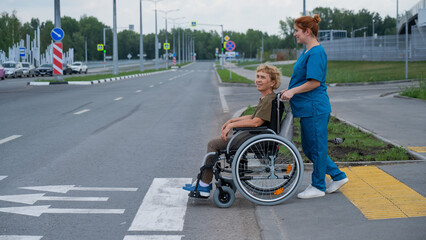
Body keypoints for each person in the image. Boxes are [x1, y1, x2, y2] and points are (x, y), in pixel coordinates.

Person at [182, 64, 282, 197]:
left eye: (263, 77)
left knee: (213, 144)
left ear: (272, 82)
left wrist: (232, 126)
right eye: (257, 76)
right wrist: (231, 121)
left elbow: (256, 122)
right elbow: (253, 117)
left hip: (255, 139)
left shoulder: (269, 100)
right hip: (255, 136)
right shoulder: (267, 98)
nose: (258, 80)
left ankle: (204, 186)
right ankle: (204, 182)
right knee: (216, 144)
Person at [280, 14, 348, 199]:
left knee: (316, 147)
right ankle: (338, 176)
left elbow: (314, 82)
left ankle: (318, 186)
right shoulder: (307, 51)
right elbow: (304, 80)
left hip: (315, 108)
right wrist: (290, 89)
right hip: (308, 108)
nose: (294, 34)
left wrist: (293, 92)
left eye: (296, 30)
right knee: (310, 148)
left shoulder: (316, 52)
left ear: (307, 31)